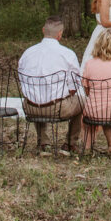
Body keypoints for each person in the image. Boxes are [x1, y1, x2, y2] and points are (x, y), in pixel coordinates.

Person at [17, 16, 83, 155]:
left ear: (43, 30)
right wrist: (66, 94)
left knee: (37, 94)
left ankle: (43, 141)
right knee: (82, 101)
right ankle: (70, 143)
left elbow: (22, 79)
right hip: (57, 108)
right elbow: (75, 83)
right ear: (60, 34)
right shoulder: (67, 54)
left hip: (30, 107)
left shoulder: (27, 53)